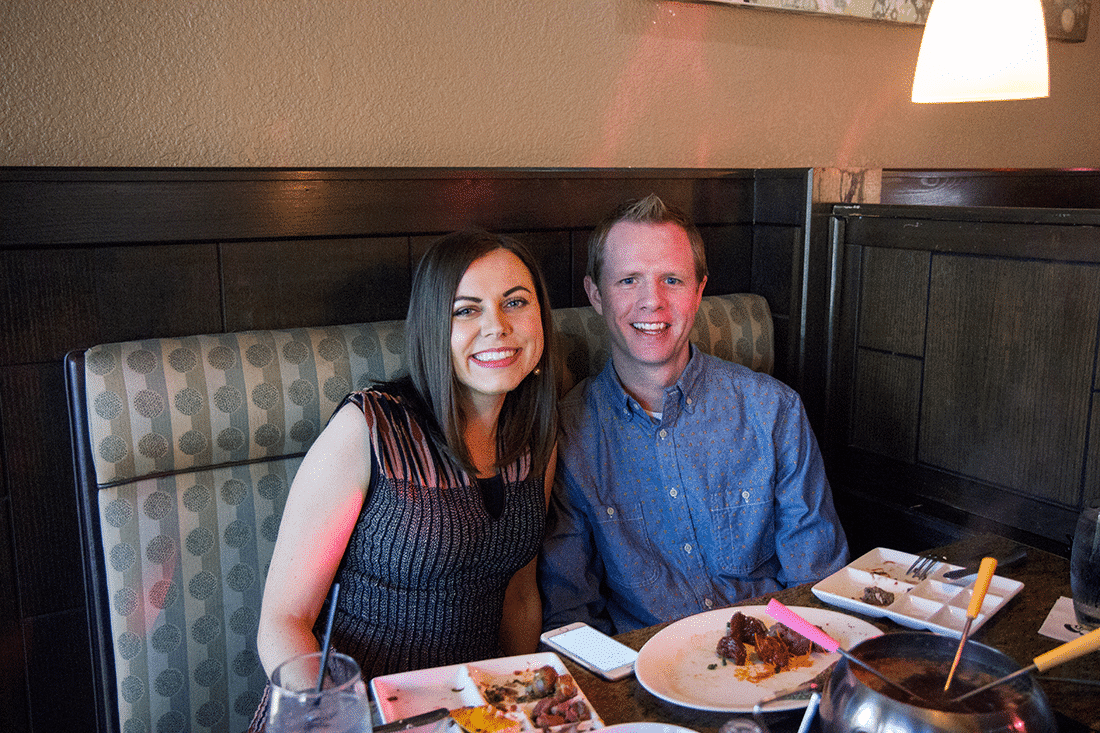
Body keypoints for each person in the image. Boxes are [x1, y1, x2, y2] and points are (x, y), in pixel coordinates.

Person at [255, 230, 558, 700]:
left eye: (515, 303)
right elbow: (282, 624)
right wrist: (340, 716)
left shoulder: (536, 439)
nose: (497, 326)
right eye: (466, 309)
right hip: (347, 712)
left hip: (471, 713)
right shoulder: (367, 429)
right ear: (432, 329)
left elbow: (519, 597)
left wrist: (521, 707)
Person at [538, 194, 848, 636]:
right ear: (596, 295)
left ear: (699, 292)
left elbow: (816, 586)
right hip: (642, 678)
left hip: (772, 667)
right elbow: (572, 620)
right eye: (628, 281)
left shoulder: (774, 411)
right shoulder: (566, 436)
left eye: (672, 280)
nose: (653, 301)